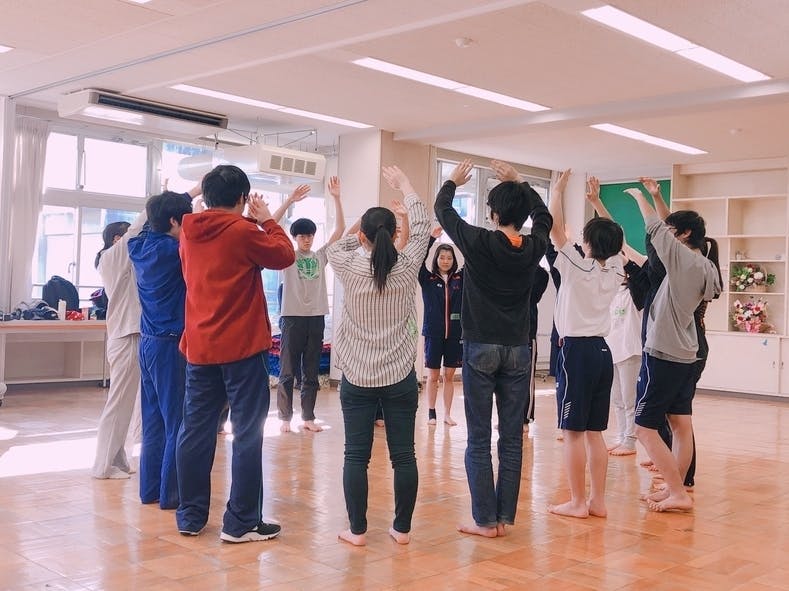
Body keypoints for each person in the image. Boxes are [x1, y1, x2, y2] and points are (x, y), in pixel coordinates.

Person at [175, 164, 295, 542]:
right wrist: (267, 221)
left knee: (195, 431)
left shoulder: (188, 231)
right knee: (246, 433)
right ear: (243, 198)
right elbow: (284, 254)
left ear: (207, 195)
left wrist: (253, 222)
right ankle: (241, 522)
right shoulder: (244, 232)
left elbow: (222, 246)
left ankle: (190, 516)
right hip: (241, 348)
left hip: (199, 347)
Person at [435, 159, 551, 538]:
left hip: (481, 347)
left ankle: (485, 520)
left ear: (494, 214)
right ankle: (503, 517)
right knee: (512, 438)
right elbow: (544, 215)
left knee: (479, 438)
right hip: (518, 348)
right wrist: (520, 181)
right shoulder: (534, 246)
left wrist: (452, 181)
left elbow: (443, 210)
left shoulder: (479, 241)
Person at [326, 165, 430, 547]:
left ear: (364, 236)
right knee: (404, 456)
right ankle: (401, 530)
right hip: (400, 375)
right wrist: (405, 184)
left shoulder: (348, 264)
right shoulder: (408, 267)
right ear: (393, 234)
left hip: (357, 376)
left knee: (356, 456)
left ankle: (357, 531)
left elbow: (337, 245)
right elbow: (422, 227)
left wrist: (361, 228)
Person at [624, 185, 721, 512]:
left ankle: (677, 492)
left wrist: (642, 197)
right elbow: (665, 231)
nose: (668, 233)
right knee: (681, 425)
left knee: (643, 428)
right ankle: (674, 488)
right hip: (687, 353)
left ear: (685, 234)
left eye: (673, 230)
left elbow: (655, 228)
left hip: (664, 351)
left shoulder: (682, 259)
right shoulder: (706, 265)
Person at [547, 169, 624, 520]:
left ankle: (578, 502)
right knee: (595, 433)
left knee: (573, 432)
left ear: (589, 243)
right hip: (603, 353)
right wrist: (597, 202)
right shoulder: (616, 269)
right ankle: (598, 501)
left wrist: (558, 191)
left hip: (576, 354)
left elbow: (555, 229)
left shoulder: (578, 266)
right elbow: (618, 236)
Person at [128, 185, 199, 509]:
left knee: (153, 420)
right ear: (173, 221)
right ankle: (171, 494)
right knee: (177, 422)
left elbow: (150, 222)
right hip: (171, 346)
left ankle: (150, 490)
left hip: (147, 344)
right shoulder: (175, 251)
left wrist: (189, 194)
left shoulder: (138, 246)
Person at [273, 178, 345, 433]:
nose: (307, 239)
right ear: (295, 238)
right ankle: (284, 418)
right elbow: (272, 225)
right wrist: (289, 201)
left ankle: (308, 417)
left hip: (316, 317)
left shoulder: (320, 256)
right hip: (292, 317)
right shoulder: (287, 256)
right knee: (287, 371)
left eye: (310, 235)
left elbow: (339, 230)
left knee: (311, 371)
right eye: (302, 235)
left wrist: (336, 198)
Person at [583, 177, 645, 456]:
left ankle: (631, 440)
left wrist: (599, 204)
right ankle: (622, 436)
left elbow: (618, 242)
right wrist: (595, 202)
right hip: (612, 350)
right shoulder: (609, 289)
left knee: (630, 399)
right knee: (617, 399)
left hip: (630, 351)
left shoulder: (636, 293)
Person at [92, 218, 144, 480]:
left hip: (132, 333)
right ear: (117, 239)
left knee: (131, 403)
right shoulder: (111, 257)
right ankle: (104, 466)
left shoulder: (124, 261)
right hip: (125, 336)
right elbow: (137, 227)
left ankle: (120, 459)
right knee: (119, 402)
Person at [419, 226, 463, 427]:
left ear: (454, 260)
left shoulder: (460, 279)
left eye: (449, 258)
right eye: (442, 257)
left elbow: (472, 259)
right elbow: (419, 258)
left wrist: (458, 235)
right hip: (433, 334)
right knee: (433, 376)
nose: (445, 261)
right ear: (436, 258)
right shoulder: (427, 279)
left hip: (454, 335)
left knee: (449, 376)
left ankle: (447, 413)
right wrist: (430, 239)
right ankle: (431, 413)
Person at [524, 265, 550, 432]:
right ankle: (508, 417)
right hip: (506, 333)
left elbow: (531, 297)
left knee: (527, 378)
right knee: (506, 380)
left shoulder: (540, 274)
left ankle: (525, 418)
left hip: (527, 333)